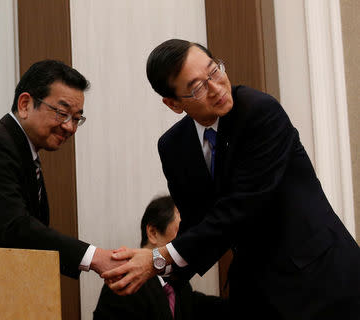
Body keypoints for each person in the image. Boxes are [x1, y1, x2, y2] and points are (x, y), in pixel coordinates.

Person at [102, 39, 360, 319]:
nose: (216, 88)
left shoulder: (259, 112)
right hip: (257, 288)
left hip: (320, 277)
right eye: (198, 87)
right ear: (174, 103)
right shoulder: (173, 146)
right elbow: (196, 223)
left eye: (214, 71)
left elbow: (240, 209)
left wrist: (155, 260)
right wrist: (144, 270)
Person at [0, 60, 121, 279]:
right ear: (25, 104)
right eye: (62, 113)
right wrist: (94, 257)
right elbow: (16, 228)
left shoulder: (22, 151)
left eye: (77, 118)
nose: (70, 127)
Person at [94, 195, 227, 319]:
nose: (189, 240)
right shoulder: (126, 281)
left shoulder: (178, 283)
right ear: (153, 233)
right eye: (182, 229)